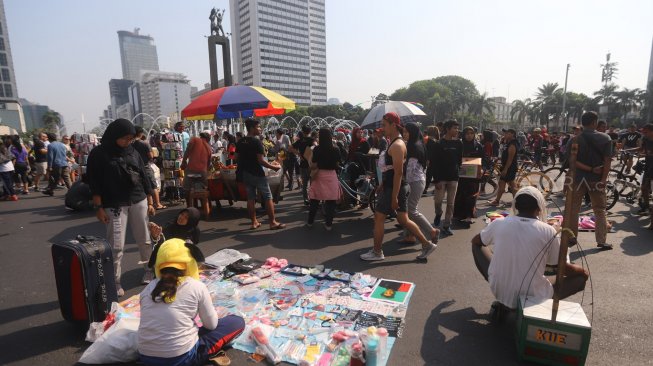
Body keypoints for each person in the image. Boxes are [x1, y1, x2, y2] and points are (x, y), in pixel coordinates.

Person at [471, 187, 588, 312]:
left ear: (516, 206)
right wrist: (582, 271)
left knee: (477, 245)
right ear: (539, 209)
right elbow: (560, 267)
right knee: (580, 278)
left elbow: (476, 241)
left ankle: (501, 289)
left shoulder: (499, 223)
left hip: (499, 288)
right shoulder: (548, 230)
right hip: (531, 295)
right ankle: (531, 307)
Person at [139, 238, 245, 366]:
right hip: (181, 359)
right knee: (237, 322)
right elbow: (211, 325)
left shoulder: (147, 289)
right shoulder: (196, 286)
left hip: (146, 358)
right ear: (191, 262)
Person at [87, 118, 156, 296]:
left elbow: (144, 175)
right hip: (114, 204)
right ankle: (114, 281)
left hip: (138, 199)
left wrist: (150, 201)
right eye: (125, 138)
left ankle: (149, 269)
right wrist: (99, 207)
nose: (128, 142)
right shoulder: (98, 153)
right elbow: (94, 182)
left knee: (145, 239)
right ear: (114, 135)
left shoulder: (132, 150)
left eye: (130, 138)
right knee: (116, 246)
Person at [360, 112, 437, 261]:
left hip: (395, 188)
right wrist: (383, 183)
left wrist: (394, 196)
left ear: (393, 125)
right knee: (403, 219)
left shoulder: (397, 144)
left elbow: (398, 173)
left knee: (379, 218)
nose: (382, 128)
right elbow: (392, 170)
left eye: (384, 125)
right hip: (393, 186)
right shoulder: (395, 142)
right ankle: (427, 244)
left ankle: (377, 252)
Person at [566, 111, 613, 250]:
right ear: (594, 123)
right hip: (597, 180)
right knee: (600, 210)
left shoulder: (574, 140)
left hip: (578, 179)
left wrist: (589, 169)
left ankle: (571, 238)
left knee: (574, 209)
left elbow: (572, 162)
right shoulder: (606, 138)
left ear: (582, 123)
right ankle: (601, 240)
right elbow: (607, 161)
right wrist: (603, 179)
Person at [236, 118, 285, 230]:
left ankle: (254, 222)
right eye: (258, 127)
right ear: (252, 128)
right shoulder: (256, 141)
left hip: (245, 173)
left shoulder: (240, 141)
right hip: (257, 173)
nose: (260, 129)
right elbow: (261, 161)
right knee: (268, 196)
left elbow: (236, 157)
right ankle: (272, 222)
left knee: (251, 198)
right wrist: (274, 167)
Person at [399, 122, 440, 244]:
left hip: (414, 181)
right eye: (404, 132)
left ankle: (431, 231)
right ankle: (409, 235)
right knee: (408, 210)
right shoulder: (417, 144)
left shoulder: (414, 146)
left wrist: (402, 179)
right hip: (417, 180)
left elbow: (411, 168)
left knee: (411, 211)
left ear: (412, 133)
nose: (404, 134)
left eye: (406, 132)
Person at [432, 119, 463, 236]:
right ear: (447, 129)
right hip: (441, 179)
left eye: (457, 128)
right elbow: (434, 163)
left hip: (454, 178)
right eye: (454, 128)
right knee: (438, 201)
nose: (457, 130)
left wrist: (457, 171)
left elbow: (460, 160)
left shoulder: (459, 143)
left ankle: (446, 225)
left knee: (451, 203)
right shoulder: (439, 144)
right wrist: (436, 180)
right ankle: (438, 213)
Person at [306, 128, 341, 230]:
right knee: (331, 202)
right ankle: (328, 224)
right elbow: (338, 164)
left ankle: (310, 222)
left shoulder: (317, 149)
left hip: (319, 175)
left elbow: (314, 164)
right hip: (331, 176)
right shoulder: (336, 149)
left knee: (314, 200)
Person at [453, 126, 483, 225]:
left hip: (474, 174)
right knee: (461, 194)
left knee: (472, 195)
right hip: (462, 173)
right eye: (467, 133)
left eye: (471, 133)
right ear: (464, 134)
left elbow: (483, 159)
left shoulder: (478, 145)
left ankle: (469, 216)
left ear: (474, 134)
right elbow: (455, 158)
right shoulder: (459, 144)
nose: (469, 135)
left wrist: (482, 169)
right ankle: (459, 215)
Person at [133, 126, 165, 210]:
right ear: (141, 133)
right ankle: (157, 204)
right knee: (153, 185)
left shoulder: (130, 144)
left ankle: (148, 204)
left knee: (144, 186)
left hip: (135, 168)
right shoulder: (145, 143)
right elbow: (151, 156)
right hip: (146, 167)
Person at [181, 133, 213, 208]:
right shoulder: (209, 148)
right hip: (202, 173)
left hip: (191, 172)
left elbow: (187, 150)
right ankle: (204, 205)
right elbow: (208, 164)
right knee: (204, 189)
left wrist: (184, 161)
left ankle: (189, 207)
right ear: (208, 139)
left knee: (187, 189)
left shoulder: (194, 139)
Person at [489, 128, 518, 207]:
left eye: (507, 133)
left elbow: (510, 159)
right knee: (505, 184)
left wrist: (505, 169)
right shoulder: (508, 143)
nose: (505, 135)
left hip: (509, 168)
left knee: (511, 185)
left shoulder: (512, 144)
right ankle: (498, 201)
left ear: (512, 134)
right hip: (506, 167)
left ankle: (515, 202)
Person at [291, 125, 315, 205]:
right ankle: (312, 199)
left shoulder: (300, 140)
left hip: (302, 164)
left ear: (302, 131)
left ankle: (306, 200)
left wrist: (299, 154)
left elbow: (290, 148)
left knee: (304, 184)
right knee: (312, 183)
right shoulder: (312, 140)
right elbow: (315, 147)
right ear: (310, 131)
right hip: (311, 165)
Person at [636, 123, 653, 220]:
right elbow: (641, 149)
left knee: (646, 187)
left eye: (645, 132)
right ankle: (647, 207)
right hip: (648, 166)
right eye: (643, 132)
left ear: (651, 131)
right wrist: (628, 150)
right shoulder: (645, 139)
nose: (643, 133)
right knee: (643, 188)